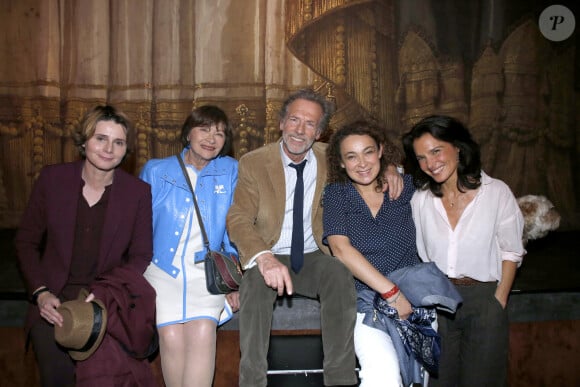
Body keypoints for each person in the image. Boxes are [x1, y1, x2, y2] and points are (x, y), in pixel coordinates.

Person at [226, 89, 403, 387]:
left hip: (314, 256)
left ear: (320, 132)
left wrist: (390, 168)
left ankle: (340, 381)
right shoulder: (254, 162)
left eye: (310, 124)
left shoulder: (330, 159)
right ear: (281, 123)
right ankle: (252, 382)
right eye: (294, 119)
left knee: (337, 271)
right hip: (271, 252)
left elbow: (362, 161)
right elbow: (238, 218)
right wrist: (264, 258)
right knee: (255, 281)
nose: (300, 129)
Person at [15, 105, 156, 386]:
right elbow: (26, 241)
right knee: (58, 377)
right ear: (84, 141)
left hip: (102, 303)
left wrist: (105, 294)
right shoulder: (53, 179)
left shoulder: (137, 192)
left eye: (118, 142)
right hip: (52, 303)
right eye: (100, 138)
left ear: (126, 149)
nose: (108, 149)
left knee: (103, 377)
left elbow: (141, 255)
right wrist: (41, 292)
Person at [402, 115, 526, 387]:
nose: (430, 164)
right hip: (439, 300)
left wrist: (498, 301)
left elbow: (511, 251)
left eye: (436, 151)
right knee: (440, 381)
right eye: (421, 158)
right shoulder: (420, 199)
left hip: (484, 300)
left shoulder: (496, 193)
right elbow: (421, 254)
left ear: (457, 147)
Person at [139, 105, 240, 387]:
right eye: (204, 129)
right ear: (187, 133)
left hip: (205, 273)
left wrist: (233, 280)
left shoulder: (231, 170)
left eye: (219, 133)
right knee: (169, 337)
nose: (211, 138)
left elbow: (237, 226)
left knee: (203, 332)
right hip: (161, 271)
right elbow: (137, 227)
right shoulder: (156, 170)